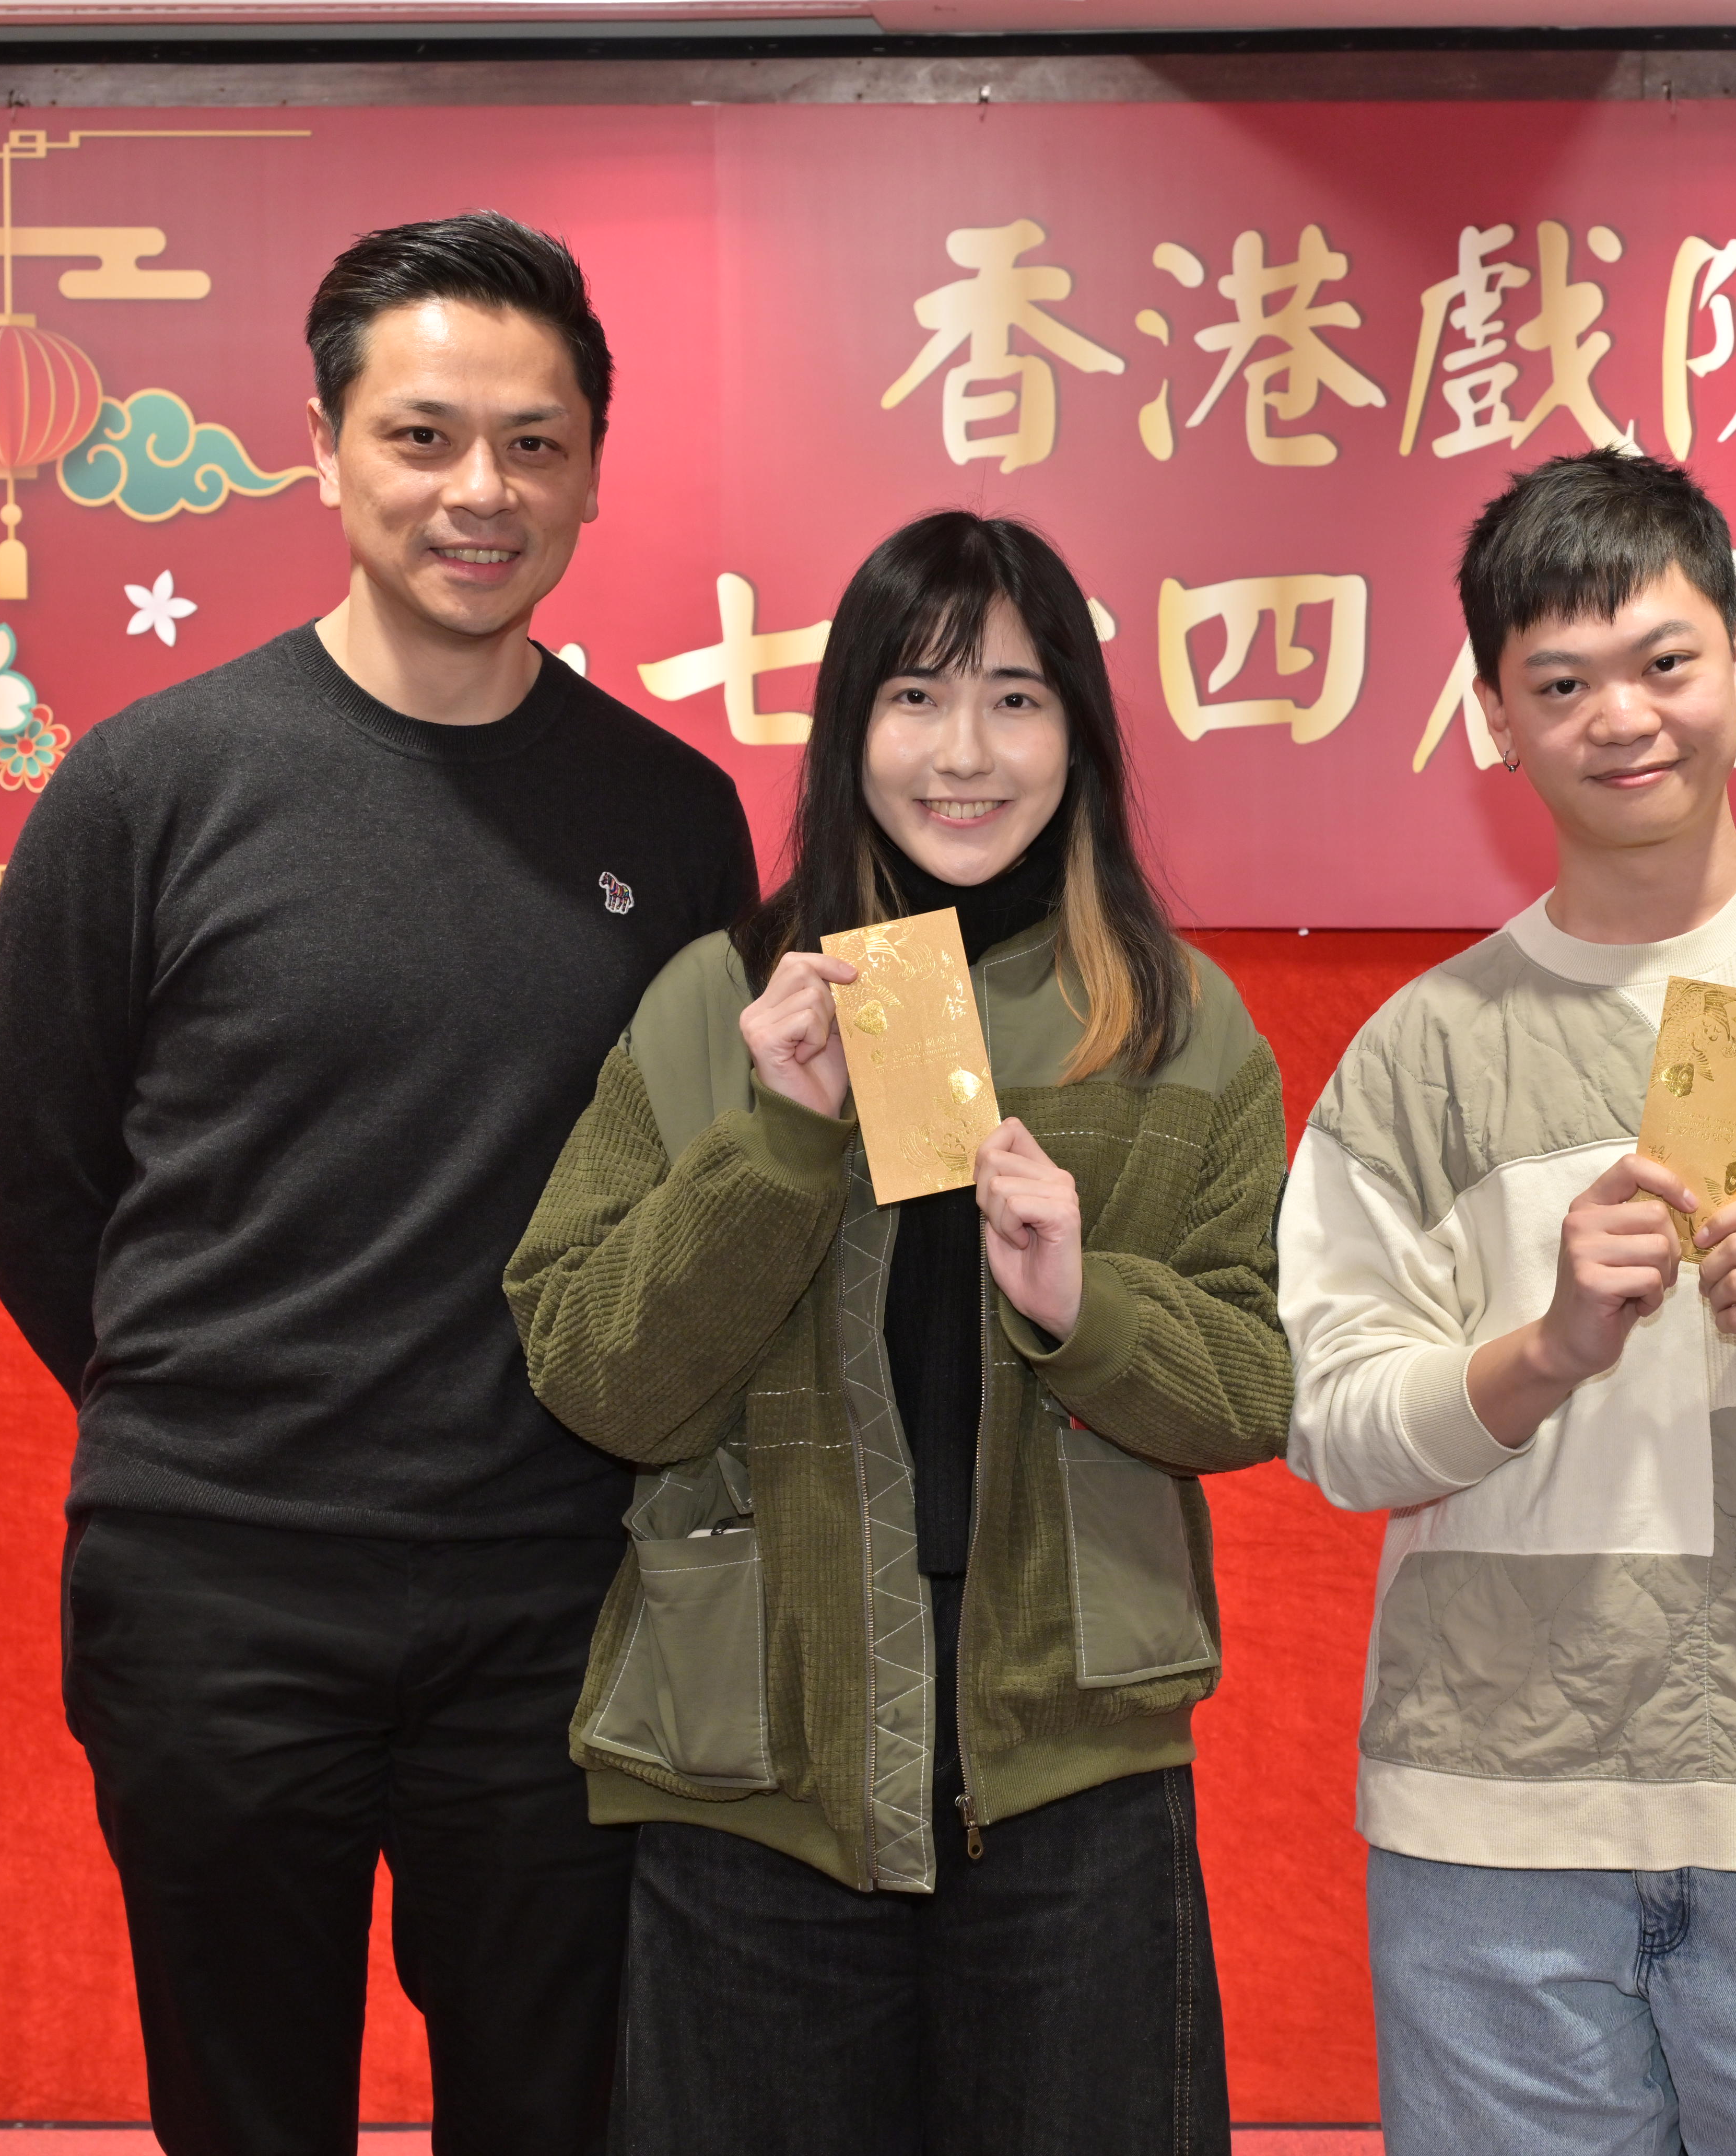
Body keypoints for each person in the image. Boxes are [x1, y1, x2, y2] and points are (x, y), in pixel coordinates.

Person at [0, 211, 753, 2154]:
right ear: (322, 448)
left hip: (561, 1592)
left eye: (534, 444)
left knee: (559, 2111)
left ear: (591, 471)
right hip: (218, 1591)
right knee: (244, 2113)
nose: (481, 491)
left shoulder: (673, 818)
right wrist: (232, 1430)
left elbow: (697, 1204)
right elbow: (41, 1195)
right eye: (423, 436)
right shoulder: (147, 787)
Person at [503, 509, 1288, 2153]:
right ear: (847, 728)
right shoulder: (717, 1000)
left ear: (1080, 732)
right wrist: (779, 1146)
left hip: (1070, 1774)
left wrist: (1085, 1307)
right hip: (756, 1766)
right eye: (915, 696)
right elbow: (595, 1375)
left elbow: (1254, 1386)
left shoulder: (1175, 1023)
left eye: (1016, 699)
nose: (964, 753)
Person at [1278, 451, 1736, 2155]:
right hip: (1491, 1829)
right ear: (1495, 719)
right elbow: (1333, 1426)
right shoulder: (1421, 1050)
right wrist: (1539, 1356)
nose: (1622, 718)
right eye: (1561, 684)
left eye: (1665, 661)